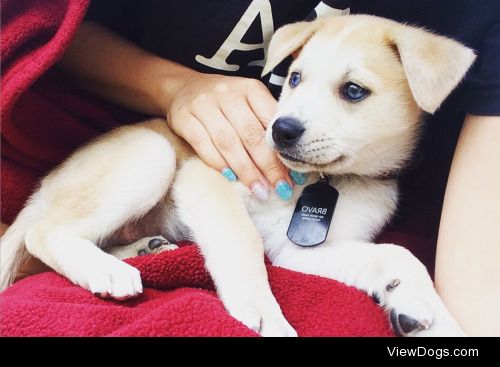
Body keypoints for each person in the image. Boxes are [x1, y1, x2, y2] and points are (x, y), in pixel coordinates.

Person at [23, 0, 500, 335]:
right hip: (135, 180)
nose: (290, 119)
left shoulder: (376, 190)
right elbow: (201, 180)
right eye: (295, 79)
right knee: (153, 156)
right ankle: (59, 238)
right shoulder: (265, 145)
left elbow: (297, 252)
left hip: (150, 234)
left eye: (353, 91)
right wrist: (248, 291)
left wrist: (403, 279)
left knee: (394, 262)